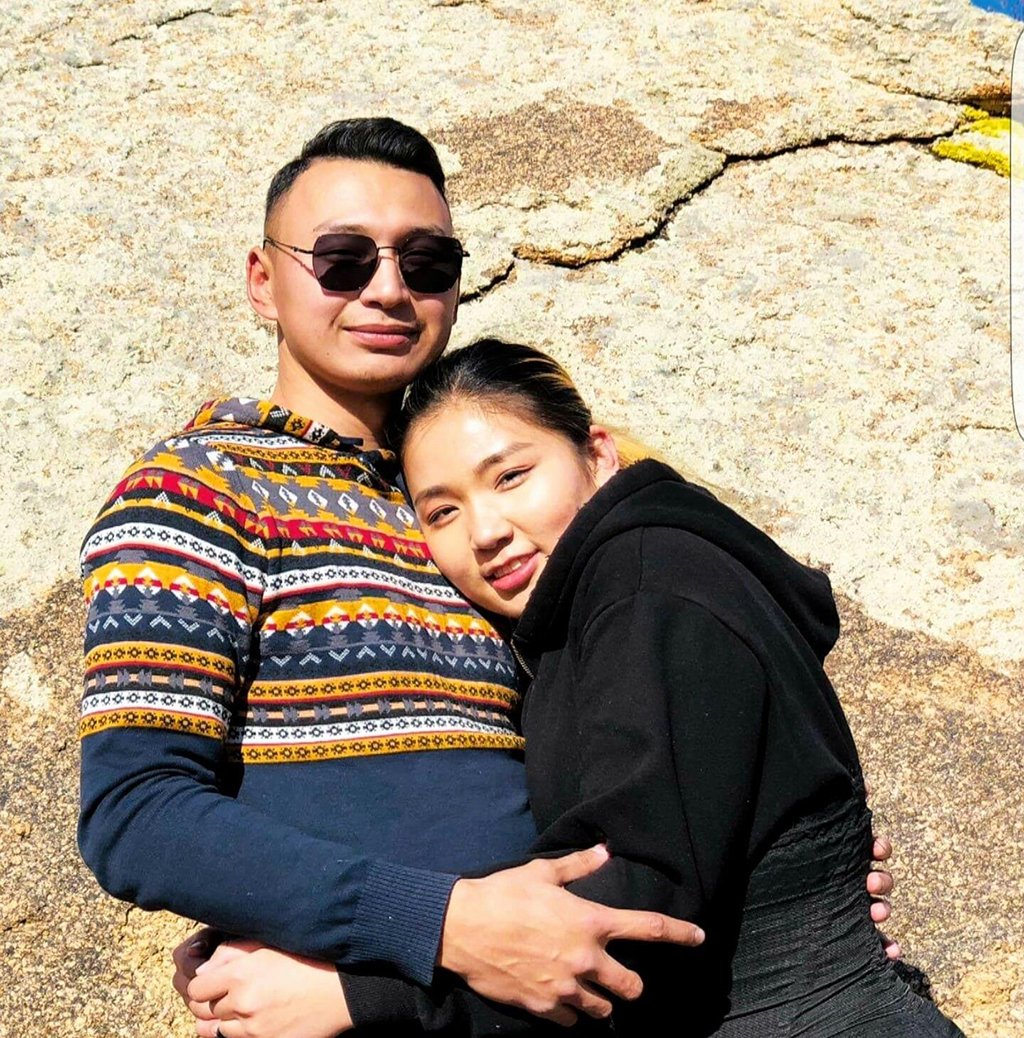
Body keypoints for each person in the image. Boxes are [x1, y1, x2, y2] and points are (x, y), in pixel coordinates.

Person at [78, 117, 894, 1035]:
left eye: (426, 262)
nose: (388, 289)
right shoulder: (198, 489)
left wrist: (783, 896)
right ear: (263, 281)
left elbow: (638, 749)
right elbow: (136, 814)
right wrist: (431, 925)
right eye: (343, 260)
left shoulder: (488, 512)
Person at [178, 343, 938, 1038]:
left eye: (511, 476)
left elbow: (635, 903)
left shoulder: (649, 585)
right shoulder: (593, 611)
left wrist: (349, 995)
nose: (486, 530)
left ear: (597, 454)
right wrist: (273, 932)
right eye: (442, 511)